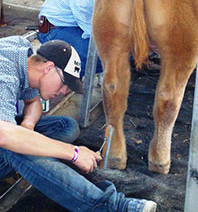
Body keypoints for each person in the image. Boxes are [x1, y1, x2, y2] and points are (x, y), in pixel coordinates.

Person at [0, 35, 157, 212]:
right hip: (3, 135)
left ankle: (33, 161)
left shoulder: (24, 57)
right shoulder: (4, 71)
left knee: (65, 126)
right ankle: (111, 206)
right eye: (65, 83)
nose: (65, 91)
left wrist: (27, 129)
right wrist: (73, 153)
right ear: (49, 67)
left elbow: (32, 102)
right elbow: (5, 135)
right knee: (15, 145)